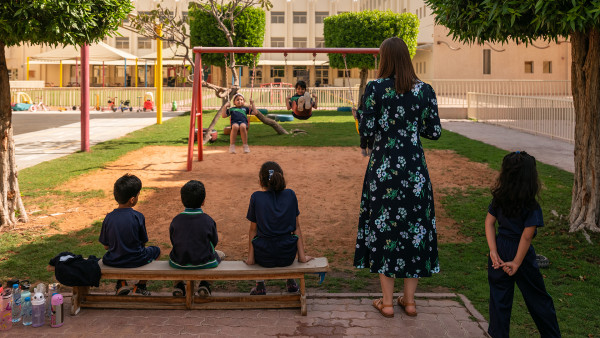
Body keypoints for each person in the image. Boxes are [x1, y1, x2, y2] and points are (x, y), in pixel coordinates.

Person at [353, 37, 442, 318]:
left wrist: (368, 120)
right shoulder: (424, 90)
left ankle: (388, 303)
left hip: (383, 170)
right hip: (414, 169)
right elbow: (435, 132)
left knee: (384, 230)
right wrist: (411, 128)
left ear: (384, 58)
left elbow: (365, 131)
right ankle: (410, 301)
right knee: (414, 230)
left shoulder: (375, 89)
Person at [485, 151, 561, 338]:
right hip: (522, 254)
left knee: (499, 300)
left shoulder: (499, 199)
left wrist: (493, 251)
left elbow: (489, 223)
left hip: (501, 248)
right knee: (537, 298)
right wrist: (517, 263)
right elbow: (526, 238)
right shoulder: (532, 206)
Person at [245, 161, 313, 295]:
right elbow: (296, 228)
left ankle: (260, 284)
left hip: (264, 256)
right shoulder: (290, 195)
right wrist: (302, 257)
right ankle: (291, 281)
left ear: (260, 181)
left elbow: (253, 230)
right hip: (286, 256)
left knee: (261, 235)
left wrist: (251, 259)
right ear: (281, 178)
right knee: (283, 235)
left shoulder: (256, 197)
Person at [99, 174, 161, 296]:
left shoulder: (108, 218)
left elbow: (106, 246)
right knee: (157, 251)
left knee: (114, 253)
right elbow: (143, 242)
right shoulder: (138, 216)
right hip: (136, 259)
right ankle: (141, 285)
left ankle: (121, 283)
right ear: (132, 200)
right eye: (138, 195)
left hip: (114, 261)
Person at [169, 180, 225, 297]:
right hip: (203, 262)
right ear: (203, 201)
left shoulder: (176, 220)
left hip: (180, 262)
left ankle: (178, 285)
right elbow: (214, 242)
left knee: (176, 252)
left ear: (182, 200)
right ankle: (205, 284)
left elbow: (173, 240)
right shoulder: (208, 220)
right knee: (220, 255)